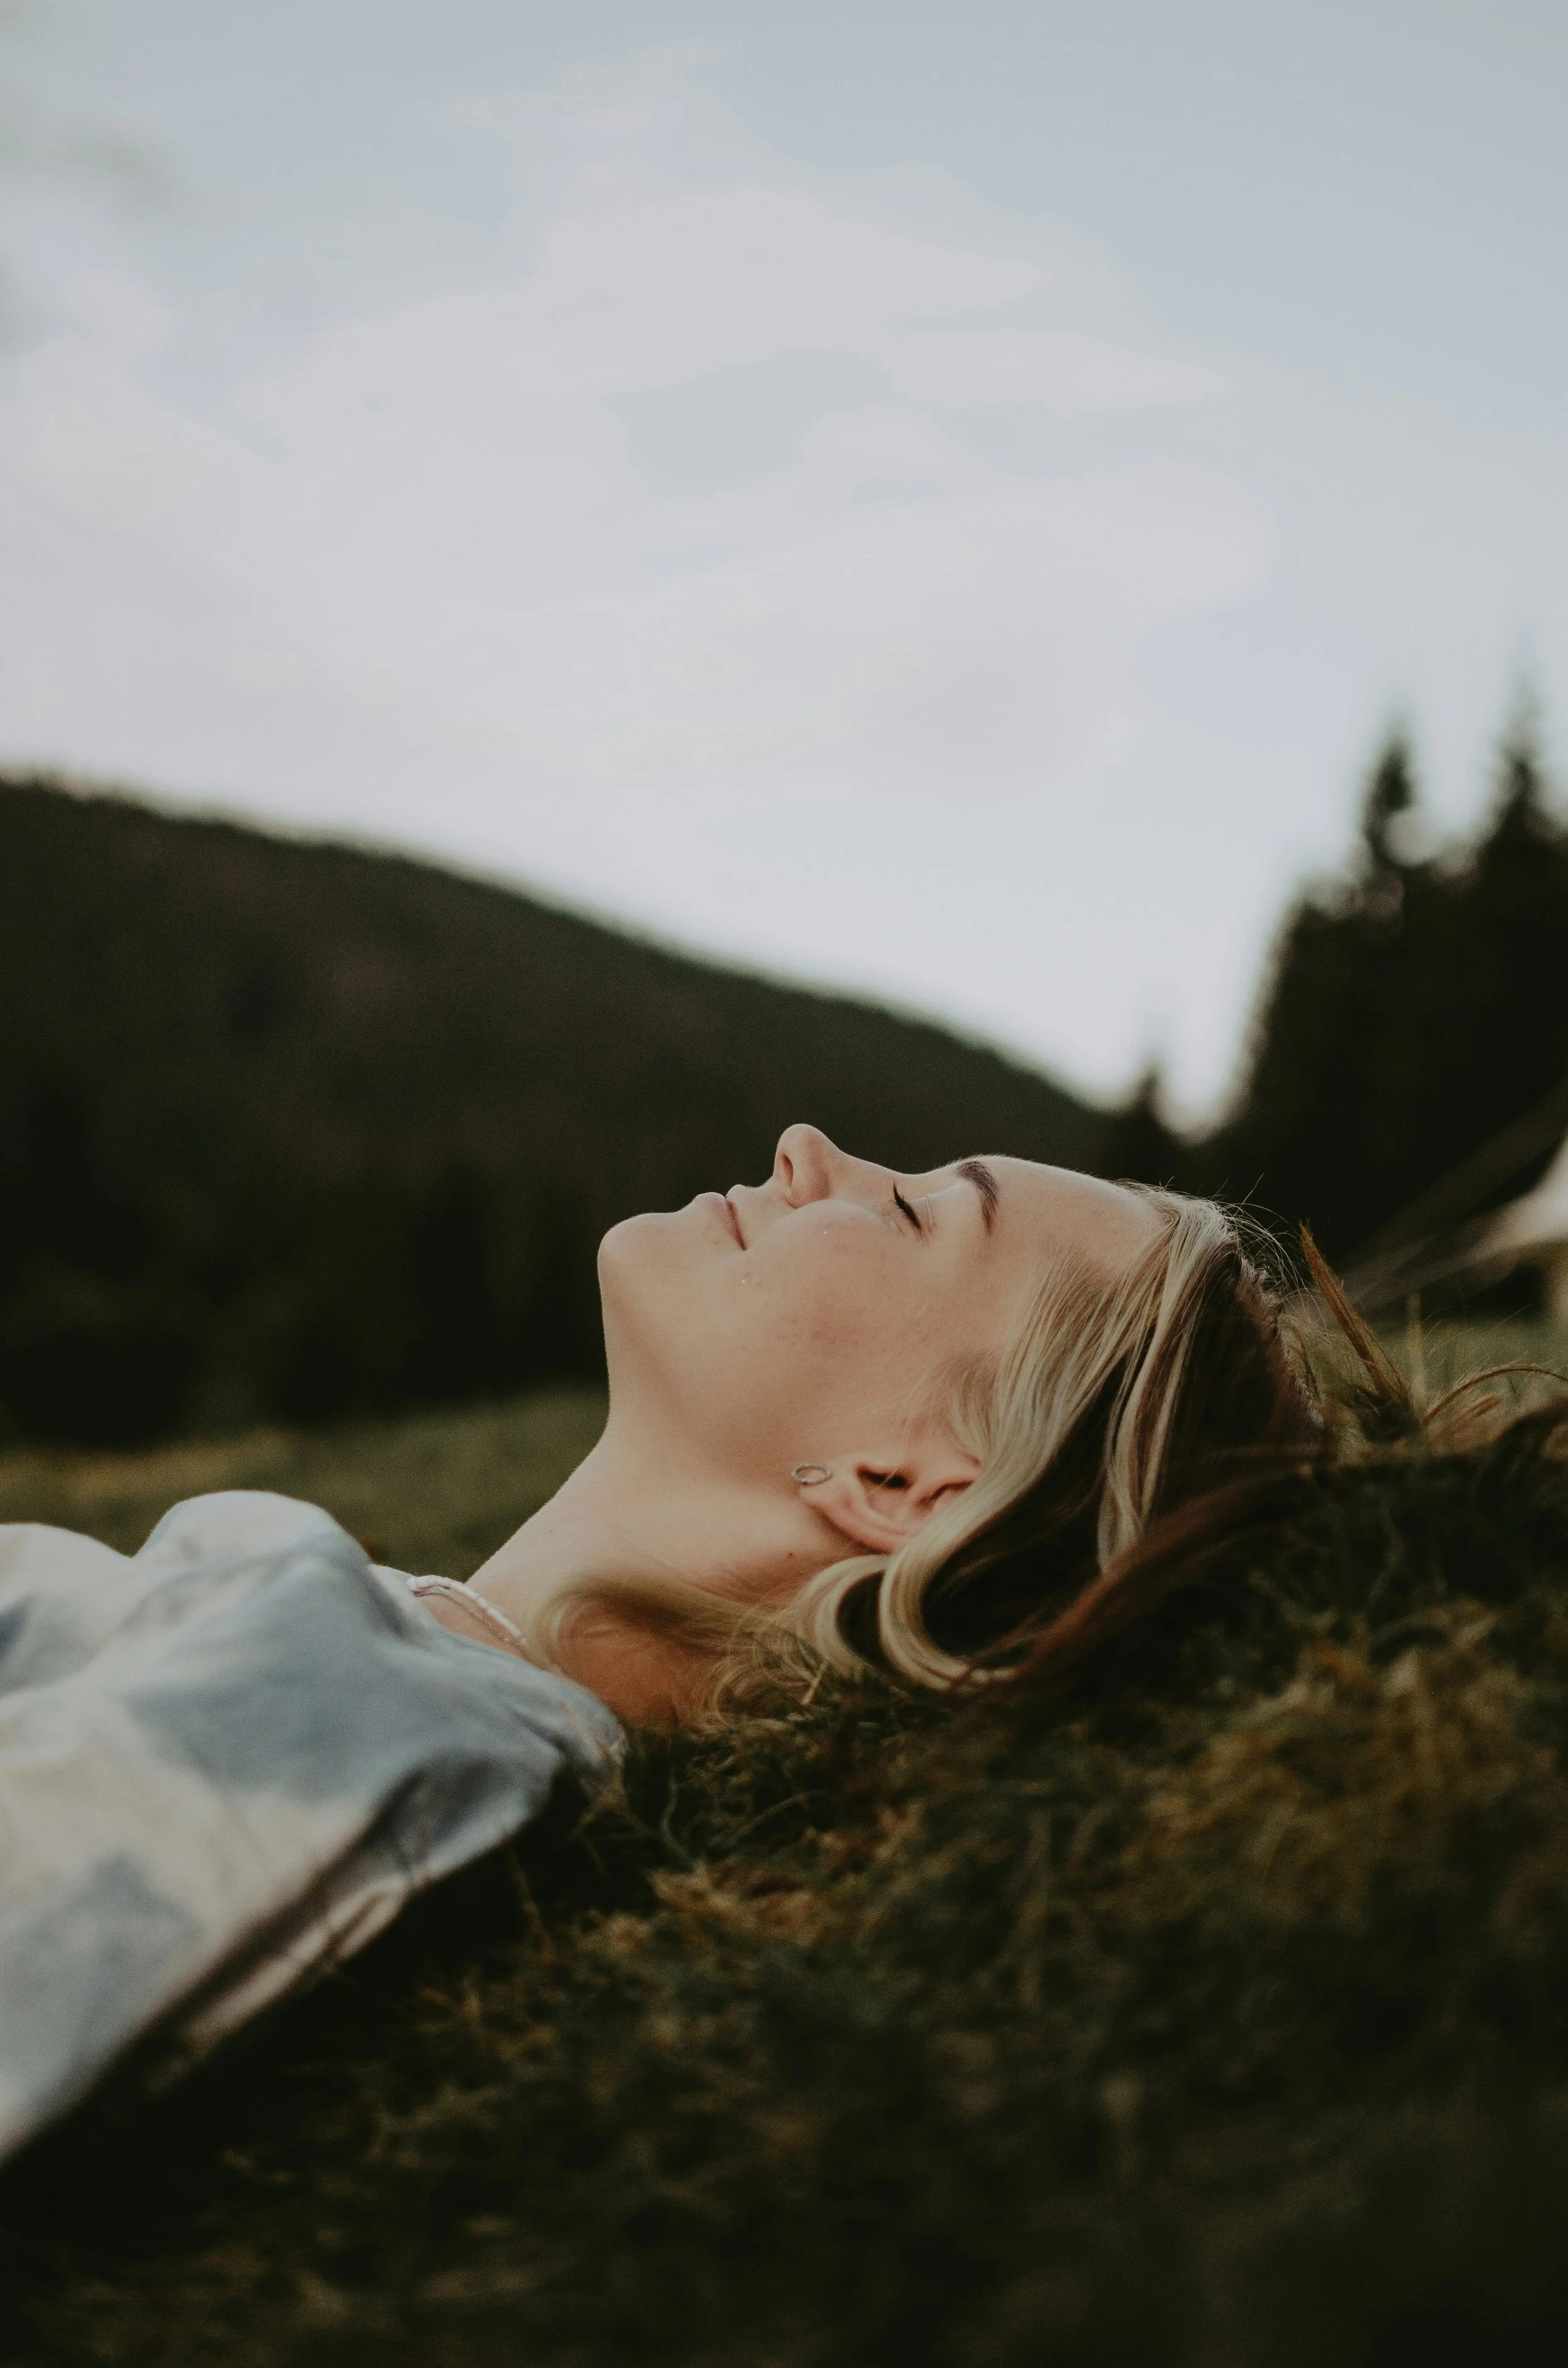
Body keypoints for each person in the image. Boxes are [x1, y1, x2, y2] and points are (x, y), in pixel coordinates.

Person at [411, 1123, 1320, 1722]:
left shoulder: (386, 1725)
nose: (802, 1148)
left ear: (902, 1485)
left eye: (907, 1212)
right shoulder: (399, 1675)